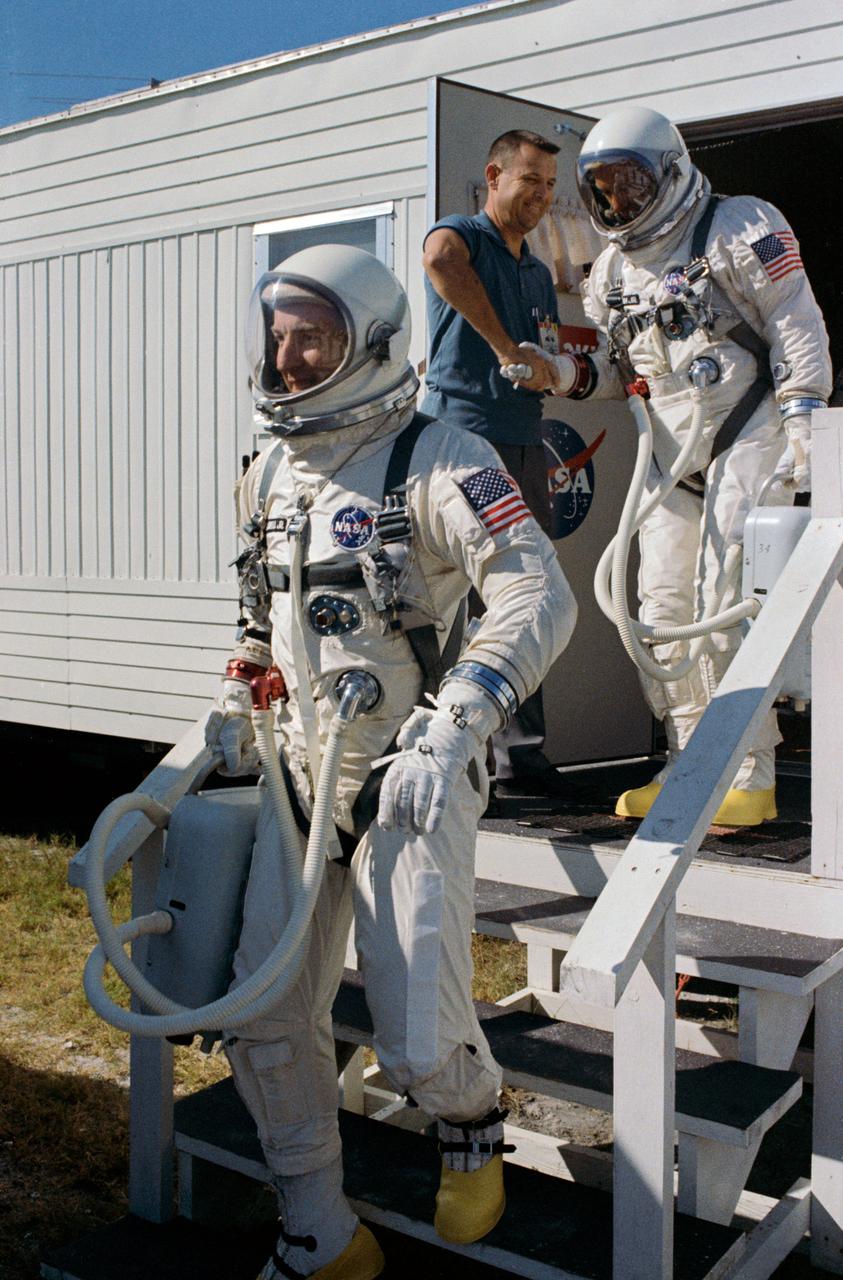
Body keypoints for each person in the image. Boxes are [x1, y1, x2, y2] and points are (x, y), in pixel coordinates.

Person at [205, 244, 576, 1280]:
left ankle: (468, 1112)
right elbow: (256, 611)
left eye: (308, 337)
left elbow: (539, 593)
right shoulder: (269, 468)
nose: (285, 360)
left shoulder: (443, 457)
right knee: (264, 1019)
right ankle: (320, 1228)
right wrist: (238, 689)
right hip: (294, 777)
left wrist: (461, 712)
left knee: (414, 1043)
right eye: (274, 338)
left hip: (411, 766)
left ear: (368, 342)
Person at [502, 105, 832, 826]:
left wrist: (805, 414)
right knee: (657, 613)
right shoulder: (613, 271)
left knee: (721, 606)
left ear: (670, 174)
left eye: (630, 183)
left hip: (748, 428)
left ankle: (748, 774)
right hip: (669, 450)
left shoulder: (738, 226)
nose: (618, 202)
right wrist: (558, 373)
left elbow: (793, 320)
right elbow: (621, 371)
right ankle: (688, 764)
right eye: (604, 189)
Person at [421, 128, 574, 801]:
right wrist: (503, 345)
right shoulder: (464, 236)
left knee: (528, 594)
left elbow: (538, 353)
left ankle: (521, 755)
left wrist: (545, 368)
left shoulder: (537, 270)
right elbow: (439, 260)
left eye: (548, 185)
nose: (541, 196)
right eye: (529, 180)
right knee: (459, 603)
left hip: (524, 443)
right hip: (467, 444)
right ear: (494, 174)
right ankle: (453, 753)